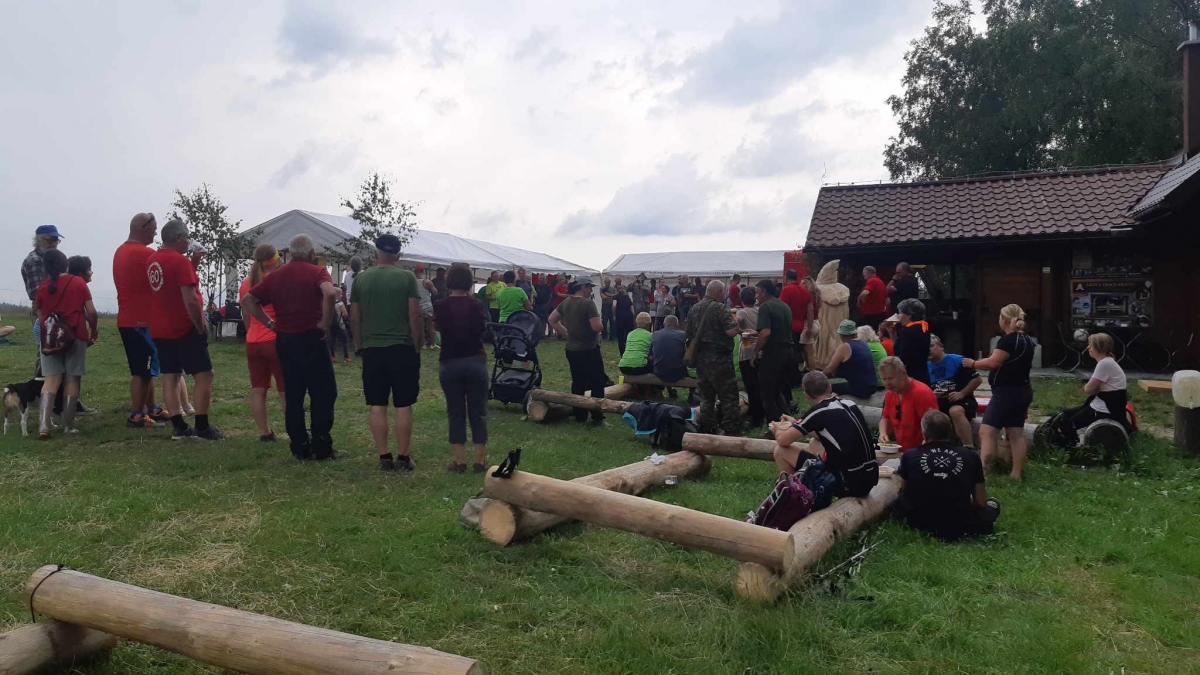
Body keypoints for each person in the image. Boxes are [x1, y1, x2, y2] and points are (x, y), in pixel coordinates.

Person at [242, 234, 338, 460]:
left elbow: (248, 300)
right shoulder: (317, 272)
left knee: (293, 394)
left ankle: (299, 446)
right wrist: (325, 323)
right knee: (323, 392)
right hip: (312, 338)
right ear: (311, 253)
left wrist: (269, 323)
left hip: (285, 340)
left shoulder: (277, 275)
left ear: (290, 253)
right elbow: (330, 292)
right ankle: (321, 445)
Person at [347, 235, 422, 471]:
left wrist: (359, 344)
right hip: (402, 347)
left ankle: (384, 456)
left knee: (377, 404)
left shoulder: (361, 279)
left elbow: (354, 317)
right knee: (403, 404)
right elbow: (414, 315)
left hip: (373, 348)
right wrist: (417, 344)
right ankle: (403, 457)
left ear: (375, 254)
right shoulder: (407, 278)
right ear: (398, 255)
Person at [146, 220, 223, 441]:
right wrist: (200, 326)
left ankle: (179, 427)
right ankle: (202, 426)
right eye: (187, 238)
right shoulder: (179, 261)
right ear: (179, 238)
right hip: (183, 326)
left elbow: (172, 283)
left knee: (170, 375)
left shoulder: (153, 260)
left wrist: (193, 263)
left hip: (159, 326)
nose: (188, 242)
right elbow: (190, 298)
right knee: (204, 374)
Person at [894, 410, 1000, 541]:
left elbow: (904, 491)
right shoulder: (970, 456)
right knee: (993, 505)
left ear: (924, 432)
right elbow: (981, 502)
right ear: (951, 431)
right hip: (960, 522)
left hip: (918, 521)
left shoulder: (910, 455)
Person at [770, 372, 879, 498]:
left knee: (780, 451)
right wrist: (795, 423)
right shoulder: (849, 404)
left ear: (806, 395)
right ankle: (807, 488)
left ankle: (797, 496)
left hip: (848, 484)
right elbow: (823, 432)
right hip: (869, 478)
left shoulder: (818, 411)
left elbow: (782, 440)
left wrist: (777, 429)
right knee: (815, 442)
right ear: (830, 387)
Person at [962, 304, 1035, 479]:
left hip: (1006, 393)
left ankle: (984, 472)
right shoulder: (1028, 340)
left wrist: (972, 363)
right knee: (1016, 434)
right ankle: (1015, 474)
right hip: (1023, 390)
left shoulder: (1008, 340)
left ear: (1004, 320)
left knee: (987, 432)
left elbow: (993, 363)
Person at [34, 250, 97, 439]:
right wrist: (93, 329)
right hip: (75, 335)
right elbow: (91, 311)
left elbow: (40, 316)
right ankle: (68, 426)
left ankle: (44, 426)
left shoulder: (42, 287)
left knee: (50, 380)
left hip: (50, 340)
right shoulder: (77, 283)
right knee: (72, 379)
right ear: (65, 265)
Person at [433, 263, 490, 474]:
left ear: (449, 281)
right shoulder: (477, 305)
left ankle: (459, 462)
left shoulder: (440, 306)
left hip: (450, 361)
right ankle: (479, 461)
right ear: (469, 282)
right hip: (475, 359)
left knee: (455, 412)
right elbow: (483, 329)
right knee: (478, 411)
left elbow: (438, 327)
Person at [113, 214, 168, 428]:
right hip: (141, 322)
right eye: (154, 229)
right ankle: (136, 415)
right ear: (144, 229)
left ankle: (152, 407)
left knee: (147, 369)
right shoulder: (145, 254)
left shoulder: (121, 251)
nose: (155, 233)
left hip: (128, 319)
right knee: (142, 371)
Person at [239, 244, 287, 442]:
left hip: (253, 341)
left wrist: (251, 332)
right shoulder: (278, 281)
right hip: (274, 339)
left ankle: (264, 433)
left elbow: (246, 315)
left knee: (258, 389)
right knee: (285, 389)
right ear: (276, 259)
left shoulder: (246, 283)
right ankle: (295, 430)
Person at [686, 280, 742, 435]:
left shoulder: (694, 308)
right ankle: (730, 429)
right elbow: (731, 331)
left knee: (706, 395)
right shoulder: (720, 308)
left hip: (701, 358)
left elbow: (688, 334)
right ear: (719, 292)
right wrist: (738, 324)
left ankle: (708, 426)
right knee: (728, 396)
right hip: (720, 359)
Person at [548, 275, 606, 424]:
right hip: (589, 348)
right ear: (583, 287)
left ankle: (579, 415)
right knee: (597, 382)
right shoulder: (588, 303)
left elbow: (552, 319)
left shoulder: (566, 302)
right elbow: (596, 327)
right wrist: (601, 324)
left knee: (578, 382)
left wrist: (567, 334)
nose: (590, 291)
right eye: (589, 288)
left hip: (572, 349)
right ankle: (597, 415)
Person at [1055, 333, 1129, 442]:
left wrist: (1088, 387)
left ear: (1100, 348)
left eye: (1091, 345)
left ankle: (1071, 445)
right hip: (1104, 405)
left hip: (1104, 409)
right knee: (1064, 413)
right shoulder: (1108, 361)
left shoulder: (1104, 364)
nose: (1088, 348)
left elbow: (1089, 389)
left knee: (1066, 422)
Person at [751, 280, 795, 433]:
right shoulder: (784, 305)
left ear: (764, 292)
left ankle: (773, 427)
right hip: (789, 352)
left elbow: (766, 333)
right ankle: (787, 422)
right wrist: (757, 333)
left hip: (774, 353)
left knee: (767, 392)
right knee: (777, 390)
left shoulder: (765, 307)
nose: (756, 296)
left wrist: (755, 352)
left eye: (757, 292)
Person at [928, 334, 982, 447]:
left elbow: (977, 379)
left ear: (941, 347)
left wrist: (962, 393)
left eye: (931, 346)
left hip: (961, 400)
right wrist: (932, 394)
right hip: (938, 401)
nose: (928, 350)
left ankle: (968, 446)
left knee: (955, 410)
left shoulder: (957, 360)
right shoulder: (925, 367)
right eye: (926, 347)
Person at [877, 356, 938, 451]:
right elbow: (886, 418)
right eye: (884, 379)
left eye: (891, 378)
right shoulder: (890, 393)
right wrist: (883, 433)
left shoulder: (922, 393)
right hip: (902, 450)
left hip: (921, 450)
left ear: (903, 373)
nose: (887, 383)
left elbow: (933, 428)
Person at [821, 320, 878, 399]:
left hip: (859, 389)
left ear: (841, 335)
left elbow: (829, 370)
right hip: (873, 386)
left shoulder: (845, 346)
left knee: (825, 387)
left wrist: (819, 377)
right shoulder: (863, 343)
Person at [813, 260, 850, 371]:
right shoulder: (843, 289)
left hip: (825, 320)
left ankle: (825, 363)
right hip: (840, 321)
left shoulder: (818, 289)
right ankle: (840, 359)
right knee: (838, 337)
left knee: (825, 336)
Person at [736, 286, 763, 428]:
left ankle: (756, 416)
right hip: (761, 349)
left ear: (742, 299)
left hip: (747, 351)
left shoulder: (741, 312)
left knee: (751, 385)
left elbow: (735, 322)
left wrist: (740, 331)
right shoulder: (760, 311)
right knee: (760, 384)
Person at [779, 269, 815, 371]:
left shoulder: (786, 290)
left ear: (786, 277)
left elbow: (781, 308)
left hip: (789, 326)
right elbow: (810, 310)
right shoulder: (805, 291)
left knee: (789, 353)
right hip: (801, 326)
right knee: (801, 351)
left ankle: (792, 374)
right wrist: (809, 328)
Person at [894, 298, 932, 385]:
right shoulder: (923, 327)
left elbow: (903, 357)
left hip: (911, 377)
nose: (898, 316)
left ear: (909, 315)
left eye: (900, 313)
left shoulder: (907, 331)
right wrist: (891, 331)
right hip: (923, 374)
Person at [650, 315, 688, 393]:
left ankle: (665, 391)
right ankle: (691, 394)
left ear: (664, 324)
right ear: (677, 324)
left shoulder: (655, 334)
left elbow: (652, 354)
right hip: (678, 373)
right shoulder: (683, 335)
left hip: (659, 372)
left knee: (663, 359)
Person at [618, 312, 654, 376]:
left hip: (623, 366)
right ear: (649, 324)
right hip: (640, 367)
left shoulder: (630, 334)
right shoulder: (651, 336)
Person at [328, 288, 352, 361]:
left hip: (331, 325)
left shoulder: (328, 303)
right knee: (345, 340)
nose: (341, 296)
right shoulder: (340, 303)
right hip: (340, 325)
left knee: (332, 341)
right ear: (337, 295)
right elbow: (345, 314)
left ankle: (332, 356)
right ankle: (346, 357)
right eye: (341, 294)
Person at [612, 285, 635, 355]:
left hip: (620, 317)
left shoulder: (616, 297)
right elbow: (632, 308)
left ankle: (622, 352)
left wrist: (614, 315)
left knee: (620, 336)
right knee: (629, 335)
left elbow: (614, 305)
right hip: (629, 317)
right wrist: (633, 317)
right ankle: (629, 350)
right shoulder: (627, 297)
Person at [599, 276, 616, 340]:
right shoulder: (602, 288)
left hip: (611, 306)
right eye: (606, 282)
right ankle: (604, 336)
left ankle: (612, 336)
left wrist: (609, 296)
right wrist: (612, 296)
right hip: (605, 306)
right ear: (604, 282)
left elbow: (615, 297)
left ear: (610, 282)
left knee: (612, 321)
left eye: (608, 282)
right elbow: (603, 297)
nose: (607, 283)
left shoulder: (613, 288)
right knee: (604, 321)